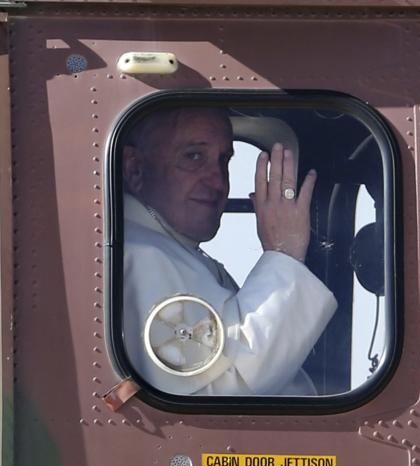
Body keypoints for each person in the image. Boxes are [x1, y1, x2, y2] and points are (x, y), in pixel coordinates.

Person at [120, 107, 337, 395]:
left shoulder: (171, 251)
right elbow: (229, 391)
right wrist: (284, 253)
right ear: (135, 169)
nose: (218, 182)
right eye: (193, 157)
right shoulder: (143, 256)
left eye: (224, 161)